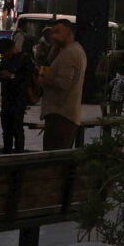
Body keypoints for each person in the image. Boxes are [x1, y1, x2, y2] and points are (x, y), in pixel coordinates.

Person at [36, 19, 84, 151]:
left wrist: (43, 81)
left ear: (69, 32)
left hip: (61, 115)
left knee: (54, 154)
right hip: (61, 114)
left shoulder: (69, 53)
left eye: (57, 32)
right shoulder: (68, 51)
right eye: (52, 33)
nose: (54, 36)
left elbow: (63, 83)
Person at [0, 38, 32, 152]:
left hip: (18, 98)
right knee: (6, 128)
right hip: (6, 97)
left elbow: (27, 78)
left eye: (5, 53)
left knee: (17, 127)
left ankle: (19, 151)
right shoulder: (5, 60)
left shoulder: (24, 59)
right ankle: (7, 150)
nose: (4, 56)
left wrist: (11, 76)